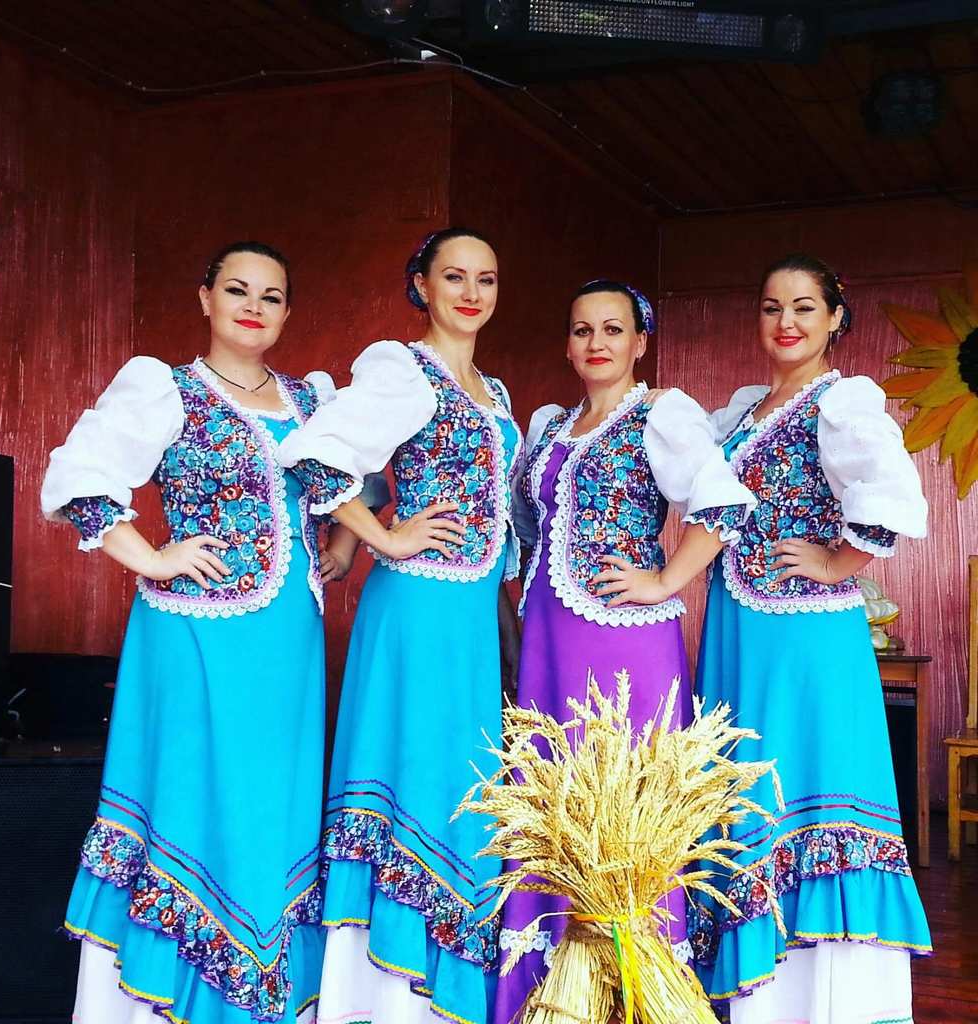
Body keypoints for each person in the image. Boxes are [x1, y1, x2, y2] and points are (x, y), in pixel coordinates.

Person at [41, 241, 362, 1024]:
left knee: (270, 810)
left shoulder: (314, 403)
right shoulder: (167, 389)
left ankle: (259, 999)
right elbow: (79, 476)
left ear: (287, 311)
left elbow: (362, 486)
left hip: (286, 646)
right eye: (238, 289)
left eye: (271, 295)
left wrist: (346, 547)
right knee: (191, 798)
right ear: (205, 297)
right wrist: (153, 555)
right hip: (191, 638)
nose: (254, 306)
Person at [623, 254, 932, 1023]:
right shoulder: (744, 413)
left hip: (808, 641)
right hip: (738, 632)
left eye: (803, 307)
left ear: (835, 318)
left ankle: (832, 1001)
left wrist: (835, 561)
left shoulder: (843, 402)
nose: (786, 322)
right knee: (747, 796)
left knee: (809, 785)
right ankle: (758, 997)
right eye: (771, 307)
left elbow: (891, 492)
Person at [494, 279, 756, 1023]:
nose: (596, 342)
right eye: (582, 329)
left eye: (613, 329)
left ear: (640, 342)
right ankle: (550, 993)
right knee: (553, 800)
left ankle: (637, 997)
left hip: (625, 643)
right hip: (550, 639)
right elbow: (527, 529)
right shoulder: (551, 428)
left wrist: (665, 579)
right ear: (568, 343)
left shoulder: (661, 414)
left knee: (628, 813)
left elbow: (721, 503)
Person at [277, 228, 521, 1024]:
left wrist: (361, 529)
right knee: (409, 772)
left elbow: (445, 493)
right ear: (421, 284)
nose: (471, 293)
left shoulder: (493, 390)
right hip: (413, 612)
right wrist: (382, 538)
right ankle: (377, 1000)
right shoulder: (401, 368)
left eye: (485, 279)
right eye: (454, 277)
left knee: (460, 787)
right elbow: (318, 454)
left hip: (470, 623)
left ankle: (441, 999)